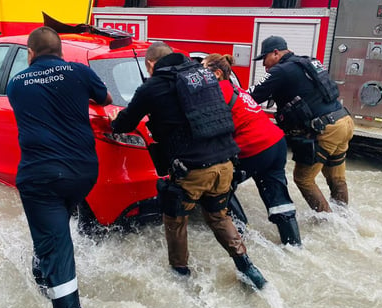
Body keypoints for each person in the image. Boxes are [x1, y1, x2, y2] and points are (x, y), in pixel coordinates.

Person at [110, 41, 267, 289]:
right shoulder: (204, 76)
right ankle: (247, 266)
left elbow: (123, 125)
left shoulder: (152, 87)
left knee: (175, 218)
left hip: (193, 169)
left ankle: (180, 276)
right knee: (218, 216)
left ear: (150, 64)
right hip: (226, 163)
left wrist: (113, 120)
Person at [7, 26, 113, 308]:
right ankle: (42, 268)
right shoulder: (79, 72)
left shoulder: (16, 85)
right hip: (82, 174)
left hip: (40, 178)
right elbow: (105, 98)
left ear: (30, 53)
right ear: (61, 52)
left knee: (56, 243)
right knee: (56, 226)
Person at [202, 53, 301, 246]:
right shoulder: (236, 89)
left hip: (255, 147)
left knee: (219, 186)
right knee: (278, 197)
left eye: (202, 70)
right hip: (276, 143)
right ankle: (294, 246)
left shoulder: (216, 91)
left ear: (216, 73)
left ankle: (242, 234)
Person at [248, 36, 354, 213]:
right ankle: (344, 216)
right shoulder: (308, 62)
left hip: (324, 129)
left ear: (275, 53)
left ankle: (326, 223)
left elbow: (251, 96)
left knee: (303, 178)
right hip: (344, 122)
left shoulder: (281, 71)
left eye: (264, 59)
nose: (264, 65)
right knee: (336, 176)